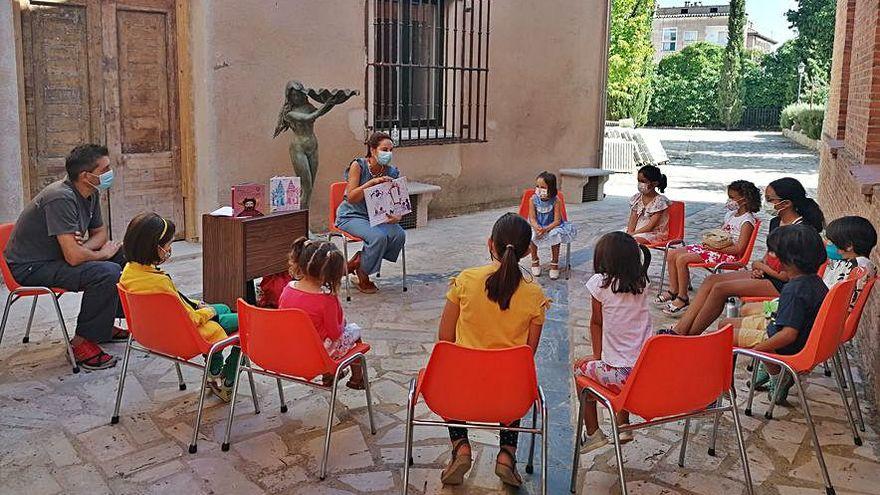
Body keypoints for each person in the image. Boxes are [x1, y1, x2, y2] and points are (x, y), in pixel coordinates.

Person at [437, 213, 550, 488]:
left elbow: (444, 339)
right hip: (508, 394)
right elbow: (528, 353)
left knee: (446, 373)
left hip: (462, 390)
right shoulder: (534, 294)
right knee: (517, 377)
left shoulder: (465, 281)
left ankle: (461, 446)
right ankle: (507, 455)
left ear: (490, 244)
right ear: (526, 252)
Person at [4, 144, 127, 370]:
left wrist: (85, 250)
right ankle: (81, 343)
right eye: (105, 169)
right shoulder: (60, 198)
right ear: (86, 175)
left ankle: (105, 321)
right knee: (106, 272)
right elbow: (73, 257)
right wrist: (96, 255)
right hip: (30, 267)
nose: (111, 173)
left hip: (56, 258)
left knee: (122, 255)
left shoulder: (90, 193)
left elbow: (100, 234)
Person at [663, 177, 825, 336]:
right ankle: (681, 328)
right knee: (710, 280)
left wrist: (760, 266)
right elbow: (769, 254)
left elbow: (787, 274)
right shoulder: (776, 222)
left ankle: (690, 335)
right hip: (768, 273)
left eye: (770, 199)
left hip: (785, 283)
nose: (767, 204)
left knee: (721, 289)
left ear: (786, 203)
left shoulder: (801, 231)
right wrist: (760, 266)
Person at [119, 213, 240, 401]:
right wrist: (208, 311)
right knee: (246, 323)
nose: (169, 249)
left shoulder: (129, 272)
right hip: (188, 335)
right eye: (169, 245)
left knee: (223, 307)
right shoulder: (158, 283)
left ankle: (214, 367)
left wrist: (202, 307)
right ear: (156, 248)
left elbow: (175, 306)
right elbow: (190, 319)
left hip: (151, 334)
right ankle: (226, 380)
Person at [717, 225, 828, 404]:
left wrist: (760, 350)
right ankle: (769, 374)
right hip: (781, 329)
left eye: (773, 253)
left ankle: (727, 388)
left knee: (724, 338)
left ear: (790, 259)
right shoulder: (814, 282)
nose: (770, 257)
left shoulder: (794, 290)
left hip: (784, 342)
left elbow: (788, 335)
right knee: (725, 325)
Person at [736, 215, 878, 341]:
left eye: (832, 241)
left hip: (812, 316)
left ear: (848, 246)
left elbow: (840, 305)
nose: (828, 244)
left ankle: (769, 351)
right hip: (813, 310)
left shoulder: (859, 268)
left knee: (748, 312)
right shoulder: (850, 263)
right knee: (747, 309)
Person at [574, 232, 653, 452]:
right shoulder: (641, 282)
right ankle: (623, 424)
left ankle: (592, 434)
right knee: (622, 361)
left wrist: (597, 356)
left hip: (622, 377)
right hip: (645, 372)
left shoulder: (599, 283)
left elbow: (596, 323)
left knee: (580, 371)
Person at [658, 180, 760, 315]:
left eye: (732, 198)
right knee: (673, 254)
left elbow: (739, 249)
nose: (729, 200)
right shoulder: (731, 215)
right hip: (715, 247)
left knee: (682, 259)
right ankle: (673, 289)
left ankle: (682, 297)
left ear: (744, 199)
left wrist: (716, 248)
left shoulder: (747, 221)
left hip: (727, 253)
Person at [278, 237, 365, 389]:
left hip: (291, 350)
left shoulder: (288, 288)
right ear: (330, 275)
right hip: (317, 357)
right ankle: (357, 380)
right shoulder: (326, 300)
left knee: (322, 336)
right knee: (354, 331)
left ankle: (330, 376)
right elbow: (335, 333)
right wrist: (341, 319)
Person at [335, 132, 406, 294]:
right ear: (373, 150)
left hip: (377, 216)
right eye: (384, 149)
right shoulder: (358, 166)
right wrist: (371, 183)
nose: (388, 153)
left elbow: (397, 202)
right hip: (352, 215)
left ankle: (360, 261)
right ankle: (363, 274)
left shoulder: (392, 172)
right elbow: (351, 197)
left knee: (398, 235)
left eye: (391, 150)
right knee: (378, 237)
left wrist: (397, 217)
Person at [528, 171, 577, 280]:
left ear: (550, 188)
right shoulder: (532, 199)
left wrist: (546, 229)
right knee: (531, 233)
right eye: (537, 186)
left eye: (543, 187)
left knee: (556, 235)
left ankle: (554, 263)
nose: (539, 189)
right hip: (538, 225)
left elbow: (557, 221)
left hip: (552, 226)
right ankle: (535, 260)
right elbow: (532, 218)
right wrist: (537, 227)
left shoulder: (556, 201)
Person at [626, 165, 671, 245]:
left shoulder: (660, 201)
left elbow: (650, 227)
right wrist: (629, 233)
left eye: (643, 181)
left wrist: (633, 235)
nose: (640, 184)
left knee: (632, 242)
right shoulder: (637, 198)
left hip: (652, 233)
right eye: (639, 181)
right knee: (616, 238)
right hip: (637, 231)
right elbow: (633, 218)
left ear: (654, 183)